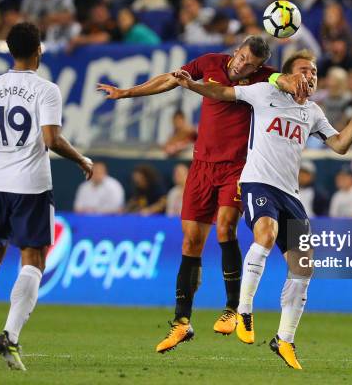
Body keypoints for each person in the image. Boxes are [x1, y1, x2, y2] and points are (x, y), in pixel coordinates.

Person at [174, 49, 352, 369]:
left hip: (290, 194)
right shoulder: (263, 93)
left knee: (304, 266)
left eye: (314, 72)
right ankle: (244, 310)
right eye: (304, 70)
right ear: (288, 75)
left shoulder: (313, 111)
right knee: (266, 234)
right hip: (257, 183)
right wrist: (192, 85)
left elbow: (340, 146)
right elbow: (222, 91)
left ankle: (284, 339)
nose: (311, 76)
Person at [96, 35, 307, 351]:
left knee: (225, 227)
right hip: (201, 166)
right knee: (191, 241)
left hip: (237, 167)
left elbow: (285, 79)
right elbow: (172, 80)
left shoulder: (265, 77)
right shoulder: (209, 62)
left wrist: (297, 82)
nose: (242, 65)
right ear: (236, 51)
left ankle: (233, 309)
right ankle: (182, 323)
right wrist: (127, 92)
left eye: (250, 64)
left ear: (259, 67)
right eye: (241, 58)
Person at [0, 22, 93, 371]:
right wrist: (80, 159)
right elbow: (50, 139)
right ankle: (10, 336)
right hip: (31, 185)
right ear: (39, 51)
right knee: (33, 259)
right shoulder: (46, 90)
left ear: (10, 49)